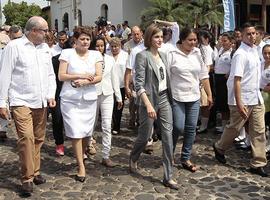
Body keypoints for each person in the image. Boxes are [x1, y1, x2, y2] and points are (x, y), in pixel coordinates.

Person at [0, 16, 56, 195]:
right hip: (20, 101)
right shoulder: (13, 47)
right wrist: (2, 102)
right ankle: (27, 178)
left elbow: (50, 75)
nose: (48, 33)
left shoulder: (45, 49)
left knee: (38, 139)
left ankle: (36, 171)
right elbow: (4, 75)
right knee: (26, 139)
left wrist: (51, 94)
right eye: (45, 30)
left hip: (41, 101)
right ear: (33, 31)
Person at [213, 22, 268, 177]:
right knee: (235, 128)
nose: (252, 36)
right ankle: (220, 147)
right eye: (248, 34)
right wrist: (239, 101)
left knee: (259, 130)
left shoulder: (255, 51)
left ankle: (258, 162)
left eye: (254, 33)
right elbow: (237, 79)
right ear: (242, 36)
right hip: (242, 98)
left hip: (255, 97)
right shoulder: (240, 54)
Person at [129, 24, 178, 190]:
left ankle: (168, 176)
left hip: (164, 98)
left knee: (167, 135)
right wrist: (148, 105)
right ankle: (134, 156)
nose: (160, 39)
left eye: (161, 36)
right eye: (156, 36)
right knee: (144, 137)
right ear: (149, 38)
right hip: (148, 100)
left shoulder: (164, 55)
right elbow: (139, 84)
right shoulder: (142, 56)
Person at [58, 26, 102, 182]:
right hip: (70, 99)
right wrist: (80, 75)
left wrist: (84, 82)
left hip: (89, 99)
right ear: (75, 40)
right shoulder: (67, 53)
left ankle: (81, 156)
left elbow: (98, 76)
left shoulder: (96, 54)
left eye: (88, 39)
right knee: (76, 131)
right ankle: (80, 165)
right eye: (82, 39)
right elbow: (61, 76)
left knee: (85, 133)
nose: (85, 42)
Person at [168, 27, 212, 172]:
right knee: (178, 126)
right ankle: (169, 154)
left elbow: (203, 74)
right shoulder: (172, 53)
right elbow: (166, 76)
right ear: (182, 39)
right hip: (177, 96)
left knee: (191, 128)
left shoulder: (197, 52)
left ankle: (185, 157)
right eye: (190, 40)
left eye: (195, 40)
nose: (193, 43)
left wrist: (209, 94)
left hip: (193, 96)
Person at [90, 37, 123, 167]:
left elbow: (114, 78)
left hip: (108, 94)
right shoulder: (89, 59)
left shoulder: (110, 59)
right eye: (97, 46)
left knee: (106, 125)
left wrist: (119, 97)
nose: (100, 48)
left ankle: (106, 155)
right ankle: (87, 146)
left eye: (102, 46)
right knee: (91, 123)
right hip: (92, 94)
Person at [108, 37, 128, 135]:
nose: (114, 48)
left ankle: (117, 126)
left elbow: (129, 70)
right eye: (112, 46)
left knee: (119, 106)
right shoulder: (107, 55)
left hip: (121, 84)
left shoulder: (125, 55)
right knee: (111, 105)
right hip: (109, 85)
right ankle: (112, 123)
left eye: (116, 46)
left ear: (120, 46)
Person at [214, 32, 234, 134]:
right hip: (217, 77)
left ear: (231, 42)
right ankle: (223, 124)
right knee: (221, 103)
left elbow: (233, 65)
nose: (223, 43)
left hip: (225, 79)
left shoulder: (232, 53)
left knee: (226, 103)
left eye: (225, 41)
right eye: (222, 40)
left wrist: (229, 74)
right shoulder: (221, 50)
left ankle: (228, 125)